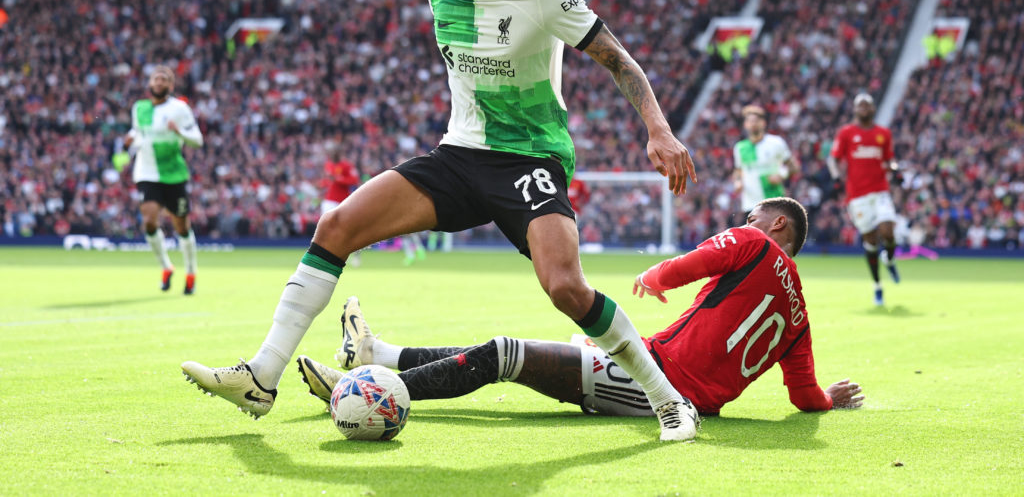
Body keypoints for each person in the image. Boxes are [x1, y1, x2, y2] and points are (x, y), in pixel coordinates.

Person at [181, 0, 700, 441]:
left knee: (566, 288)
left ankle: (668, 402)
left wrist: (658, 129)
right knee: (336, 227)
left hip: (528, 157)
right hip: (458, 154)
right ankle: (262, 376)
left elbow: (617, 58)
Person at [297, 197, 864, 422]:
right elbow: (803, 396)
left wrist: (654, 274)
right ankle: (376, 353)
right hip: (652, 367)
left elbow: (697, 261)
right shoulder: (800, 317)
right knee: (526, 354)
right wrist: (829, 402)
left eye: (752, 216)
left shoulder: (756, 243)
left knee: (506, 354)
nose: (744, 222)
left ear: (777, 225)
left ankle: (367, 390)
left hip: (658, 386)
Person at [124, 65, 204, 294]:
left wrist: (179, 132)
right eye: (155, 78)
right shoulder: (139, 108)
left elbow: (197, 140)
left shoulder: (179, 108)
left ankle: (190, 272)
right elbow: (138, 132)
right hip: (146, 172)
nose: (159, 82)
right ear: (150, 83)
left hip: (173, 174)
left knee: (182, 226)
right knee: (149, 220)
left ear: (170, 85)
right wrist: (129, 140)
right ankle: (166, 266)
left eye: (164, 79)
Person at [827, 93, 900, 306]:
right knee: (870, 240)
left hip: (880, 191)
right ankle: (877, 286)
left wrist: (896, 170)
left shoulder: (883, 133)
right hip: (857, 196)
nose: (865, 108)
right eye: (861, 105)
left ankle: (890, 258)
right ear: (855, 109)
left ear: (873, 109)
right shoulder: (847, 132)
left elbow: (889, 159)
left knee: (887, 229)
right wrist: (835, 178)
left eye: (868, 105)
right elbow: (833, 158)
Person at [732, 104, 796, 220]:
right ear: (745, 125)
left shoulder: (776, 143)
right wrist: (737, 182)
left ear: (763, 123)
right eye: (750, 121)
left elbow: (793, 166)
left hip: (774, 200)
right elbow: (738, 170)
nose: (753, 124)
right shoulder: (740, 148)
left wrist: (782, 175)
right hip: (751, 204)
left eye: (756, 120)